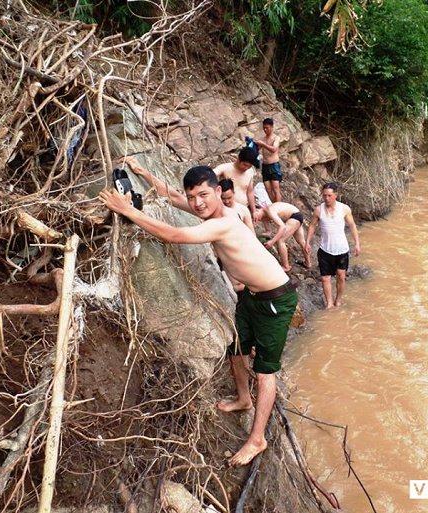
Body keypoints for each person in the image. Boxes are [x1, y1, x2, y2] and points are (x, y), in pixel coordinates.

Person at [100, 158, 298, 466]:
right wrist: (143, 172)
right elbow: (174, 198)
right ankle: (244, 399)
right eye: (194, 196)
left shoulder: (224, 222)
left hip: (276, 298)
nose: (197, 202)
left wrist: (128, 211)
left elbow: (173, 235)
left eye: (203, 195)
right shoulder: (213, 212)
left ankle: (257, 439)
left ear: (219, 191)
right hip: (252, 296)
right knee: (237, 346)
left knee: (265, 371)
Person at [305, 182, 361, 309]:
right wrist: (307, 241)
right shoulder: (319, 210)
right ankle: (329, 304)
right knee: (325, 279)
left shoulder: (344, 209)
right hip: (325, 250)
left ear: (336, 195)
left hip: (341, 250)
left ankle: (338, 301)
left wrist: (357, 244)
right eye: (324, 195)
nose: (327, 198)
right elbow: (313, 225)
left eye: (329, 195)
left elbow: (352, 226)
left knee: (341, 277)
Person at [254, 202, 311, 272]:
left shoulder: (269, 211)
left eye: (255, 217)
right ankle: (308, 263)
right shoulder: (264, 215)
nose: (256, 220)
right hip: (296, 214)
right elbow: (268, 231)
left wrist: (272, 242)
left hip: (294, 216)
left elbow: (282, 227)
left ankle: (286, 266)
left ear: (257, 210)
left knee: (280, 240)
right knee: (301, 242)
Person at [213, 147, 259, 218]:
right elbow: (212, 174)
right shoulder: (226, 168)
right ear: (239, 159)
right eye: (245, 165)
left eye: (249, 166)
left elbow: (250, 192)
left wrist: (254, 211)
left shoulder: (250, 172)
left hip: (242, 210)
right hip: (226, 209)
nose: (246, 168)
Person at [255, 118, 282, 203]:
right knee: (268, 189)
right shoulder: (263, 139)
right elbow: (257, 149)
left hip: (274, 165)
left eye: (267, 128)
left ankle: (279, 207)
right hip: (265, 166)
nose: (265, 130)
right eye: (264, 128)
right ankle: (275, 205)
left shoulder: (276, 138)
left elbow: (274, 149)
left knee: (275, 188)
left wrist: (263, 144)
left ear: (272, 127)